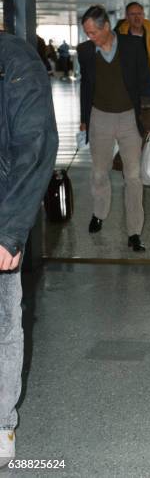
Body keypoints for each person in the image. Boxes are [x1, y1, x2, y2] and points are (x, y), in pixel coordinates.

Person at [0, 31, 58, 467]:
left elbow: (36, 147)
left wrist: (10, 231)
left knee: (3, 327)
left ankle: (2, 425)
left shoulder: (16, 60)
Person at [78, 5, 150, 251]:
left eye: (93, 33)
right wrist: (84, 119)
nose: (90, 38)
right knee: (99, 173)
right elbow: (85, 87)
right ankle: (99, 213)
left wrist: (149, 117)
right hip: (100, 117)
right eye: (87, 33)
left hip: (129, 118)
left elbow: (146, 82)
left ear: (106, 27)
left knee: (133, 177)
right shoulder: (86, 51)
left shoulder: (132, 46)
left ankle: (134, 232)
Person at [115, 2, 150, 99]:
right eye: (132, 14)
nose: (137, 18)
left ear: (143, 15)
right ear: (127, 17)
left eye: (139, 14)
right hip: (126, 91)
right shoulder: (118, 37)